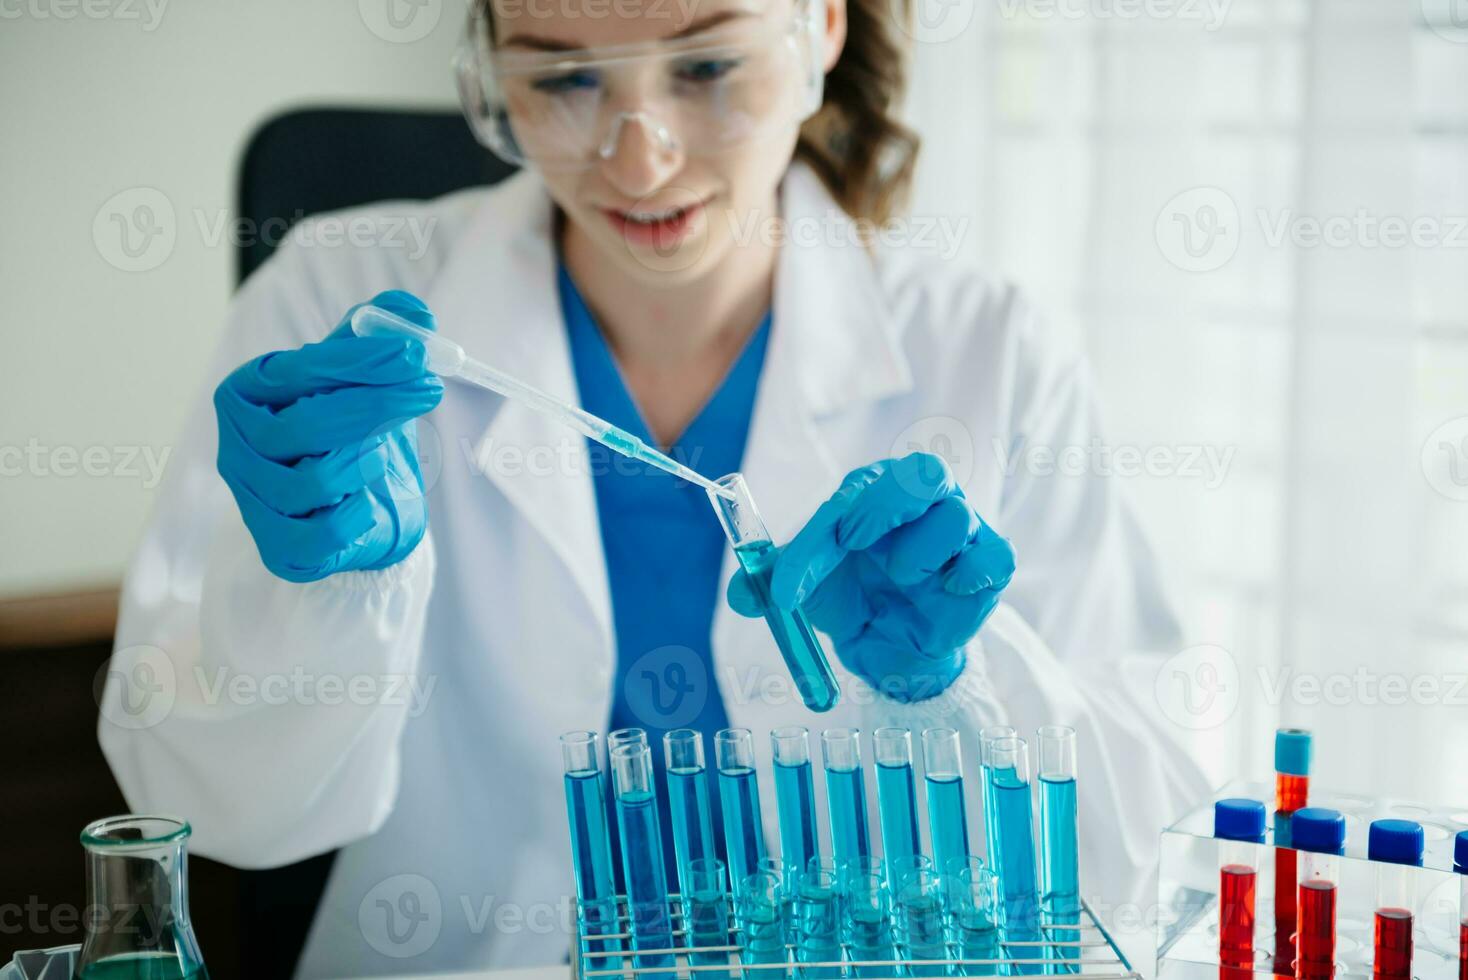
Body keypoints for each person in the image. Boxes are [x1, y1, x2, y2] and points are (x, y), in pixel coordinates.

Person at [101, 0, 1207, 974]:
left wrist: (960, 688)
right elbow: (207, 803)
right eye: (563, 76)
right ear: (492, 69)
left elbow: (1146, 851)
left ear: (822, 25)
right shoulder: (340, 298)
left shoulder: (990, 351)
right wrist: (310, 593)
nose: (639, 159)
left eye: (706, 66)